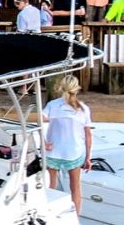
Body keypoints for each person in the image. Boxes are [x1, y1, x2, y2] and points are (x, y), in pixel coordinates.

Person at [43, 75, 93, 215]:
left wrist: (44, 142)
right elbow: (88, 135)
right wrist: (88, 157)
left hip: (53, 151)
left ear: (61, 88)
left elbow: (39, 122)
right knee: (75, 187)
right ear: (77, 89)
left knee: (50, 187)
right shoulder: (83, 109)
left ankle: (47, 214)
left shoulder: (52, 105)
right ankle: (75, 217)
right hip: (74, 153)